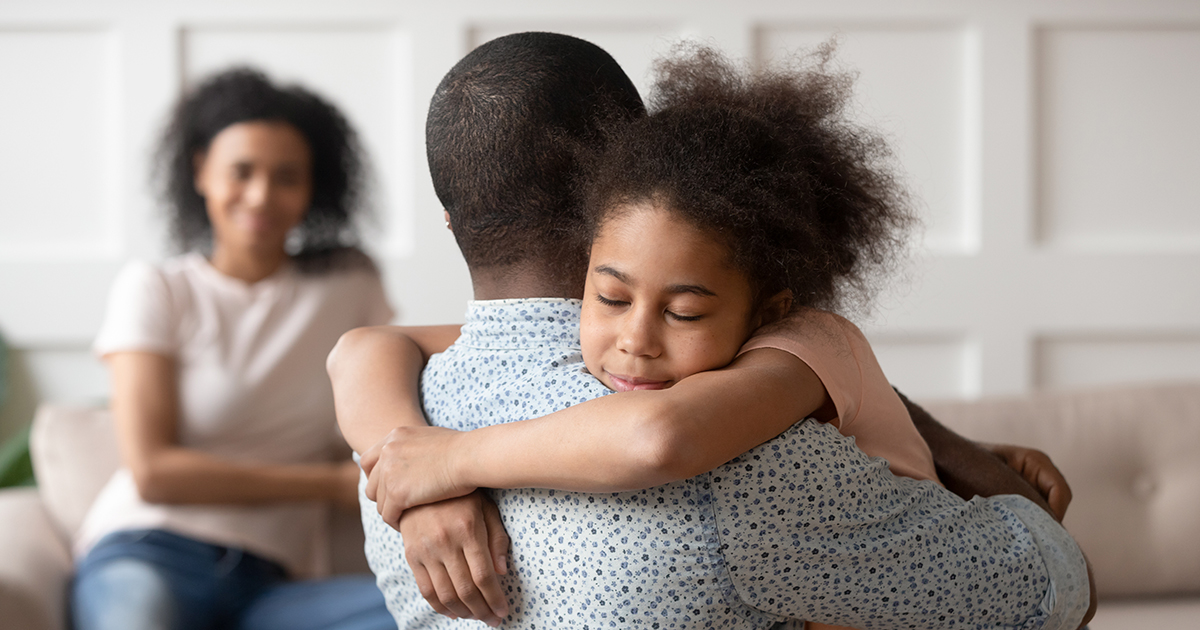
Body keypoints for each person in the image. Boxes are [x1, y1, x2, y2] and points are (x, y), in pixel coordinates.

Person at [330, 33, 1095, 629]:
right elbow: (1053, 588)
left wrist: (443, 464)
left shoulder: (394, 451)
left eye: (685, 311)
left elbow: (363, 348)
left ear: (449, 217)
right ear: (612, 188)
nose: (639, 340)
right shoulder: (737, 455)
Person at [73, 68, 397, 630]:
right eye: (241, 172)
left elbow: (390, 406)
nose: (261, 195)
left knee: (439, 614)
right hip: (148, 552)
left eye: (287, 177)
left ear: (313, 186)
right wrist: (329, 486)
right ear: (201, 171)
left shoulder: (351, 284)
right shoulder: (157, 288)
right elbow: (153, 472)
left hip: (273, 586)